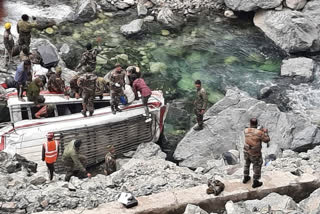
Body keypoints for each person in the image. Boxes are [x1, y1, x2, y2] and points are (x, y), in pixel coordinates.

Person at [243, 118, 270, 188]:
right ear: (257, 124)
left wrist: (258, 131)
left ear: (250, 123)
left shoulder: (246, 130)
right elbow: (267, 140)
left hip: (246, 151)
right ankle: (255, 182)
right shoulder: (260, 133)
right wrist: (265, 132)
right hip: (255, 153)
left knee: (246, 163)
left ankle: (245, 177)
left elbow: (252, 132)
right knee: (257, 166)